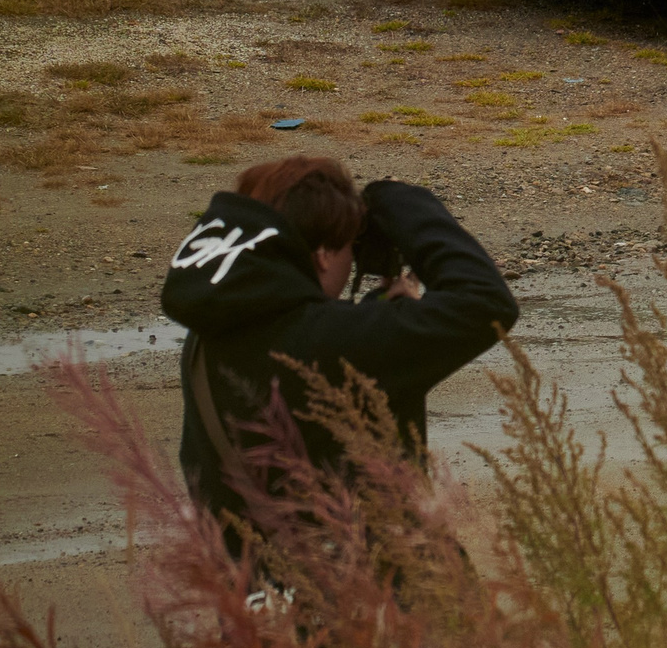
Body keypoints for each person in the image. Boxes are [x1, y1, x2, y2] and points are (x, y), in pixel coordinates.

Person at [161, 155, 518, 554]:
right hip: (361, 585)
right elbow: (486, 302)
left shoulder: (207, 335)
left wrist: (375, 316)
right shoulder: (336, 342)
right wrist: (399, 200)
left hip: (251, 584)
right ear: (324, 254)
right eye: (350, 246)